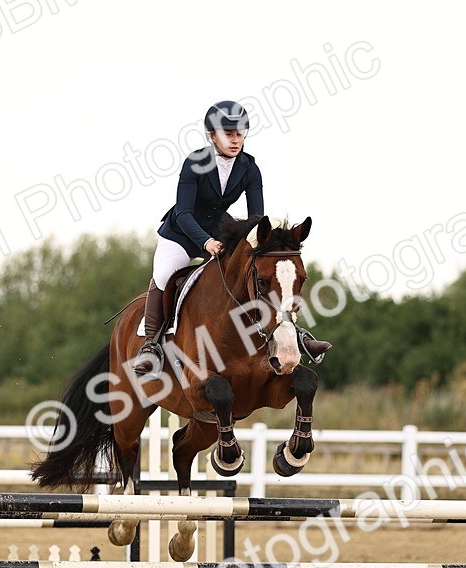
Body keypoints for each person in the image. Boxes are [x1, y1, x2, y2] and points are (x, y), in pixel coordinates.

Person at [132, 100, 331, 376]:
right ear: (212, 136)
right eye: (228, 134)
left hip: (219, 232)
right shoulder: (195, 163)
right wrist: (205, 242)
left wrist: (263, 242)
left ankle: (290, 332)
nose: (235, 140)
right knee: (165, 273)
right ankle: (151, 345)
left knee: (254, 272)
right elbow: (183, 213)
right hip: (181, 232)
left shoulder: (249, 168)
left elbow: (256, 218)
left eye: (239, 134)